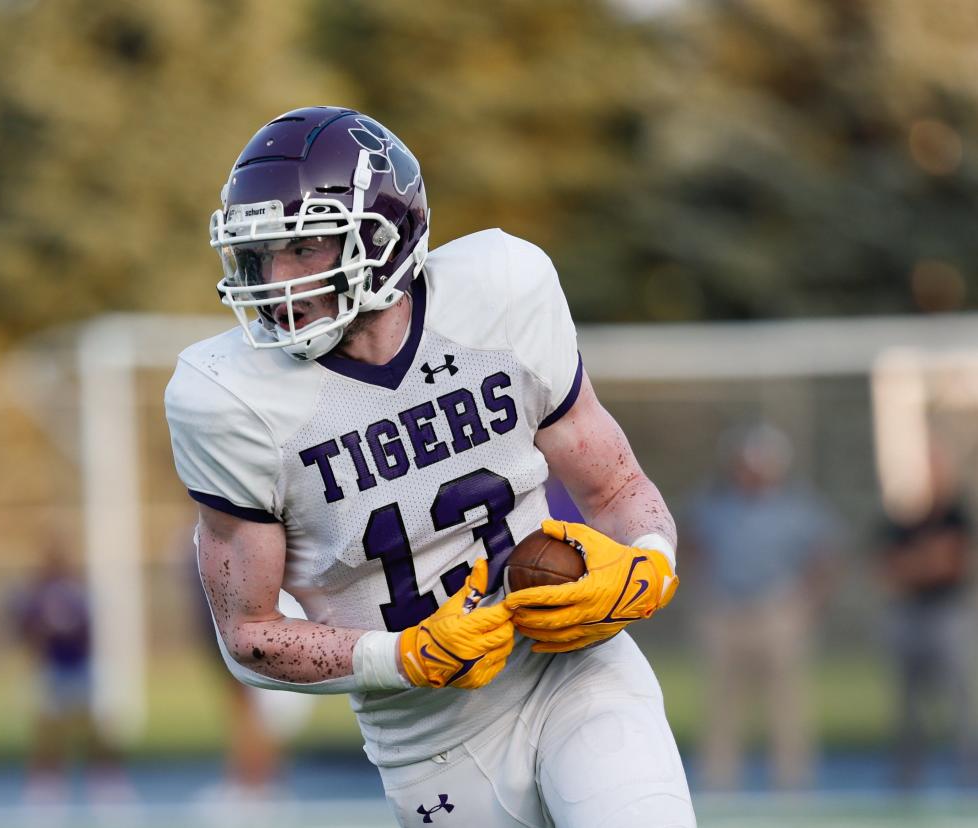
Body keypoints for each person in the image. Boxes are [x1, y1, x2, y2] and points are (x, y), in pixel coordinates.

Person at [164, 106, 694, 827]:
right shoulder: (226, 398)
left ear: (385, 237)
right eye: (262, 254)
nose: (276, 279)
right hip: (430, 740)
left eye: (305, 247)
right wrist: (405, 654)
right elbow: (249, 634)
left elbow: (617, 486)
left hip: (572, 673)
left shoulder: (501, 293)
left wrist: (651, 559)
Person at [685, 422, 840, 791]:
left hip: (777, 610)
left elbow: (826, 556)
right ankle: (718, 782)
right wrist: (701, 592)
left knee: (786, 704)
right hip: (725, 611)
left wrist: (808, 604)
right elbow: (689, 544)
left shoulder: (798, 506)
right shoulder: (714, 504)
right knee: (722, 704)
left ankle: (792, 782)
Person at [879, 439, 975, 788]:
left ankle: (967, 772)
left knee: (957, 698)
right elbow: (887, 569)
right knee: (908, 703)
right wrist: (926, 562)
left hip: (944, 614)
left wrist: (917, 564)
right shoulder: (902, 519)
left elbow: (950, 564)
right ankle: (908, 776)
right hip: (908, 615)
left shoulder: (956, 516)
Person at [8, 537, 130, 804]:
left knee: (92, 726)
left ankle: (105, 779)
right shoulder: (36, 593)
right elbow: (24, 629)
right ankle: (46, 782)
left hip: (79, 665)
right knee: (48, 728)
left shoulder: (78, 592)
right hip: (53, 666)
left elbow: (91, 629)